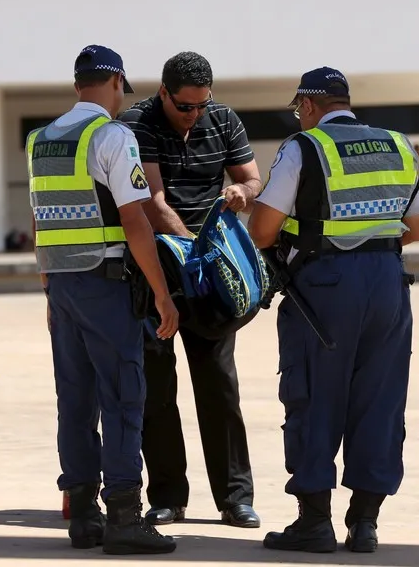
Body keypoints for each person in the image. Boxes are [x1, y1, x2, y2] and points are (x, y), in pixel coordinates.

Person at [246, 67, 419, 554]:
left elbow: (262, 231)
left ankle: (314, 523)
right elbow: (416, 226)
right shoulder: (397, 144)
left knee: (315, 397)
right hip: (389, 285)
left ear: (308, 105)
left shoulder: (305, 148)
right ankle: (364, 524)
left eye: (297, 109)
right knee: (380, 401)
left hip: (324, 290)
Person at [28, 44, 179, 555]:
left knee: (74, 399)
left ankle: (83, 516)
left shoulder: (41, 141)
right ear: (116, 84)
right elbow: (135, 219)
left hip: (64, 283)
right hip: (105, 280)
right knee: (122, 396)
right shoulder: (113, 136)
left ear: (77, 86)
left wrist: (50, 287)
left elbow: (39, 220)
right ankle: (123, 517)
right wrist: (163, 295)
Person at [119, 51, 263, 529]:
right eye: (186, 107)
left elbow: (251, 177)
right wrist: (191, 251)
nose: (195, 114)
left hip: (210, 277)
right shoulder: (138, 123)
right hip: (157, 269)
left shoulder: (223, 119)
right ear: (163, 93)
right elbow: (153, 201)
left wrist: (243, 192)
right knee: (157, 390)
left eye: (202, 105)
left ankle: (235, 498)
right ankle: (167, 496)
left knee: (219, 385)